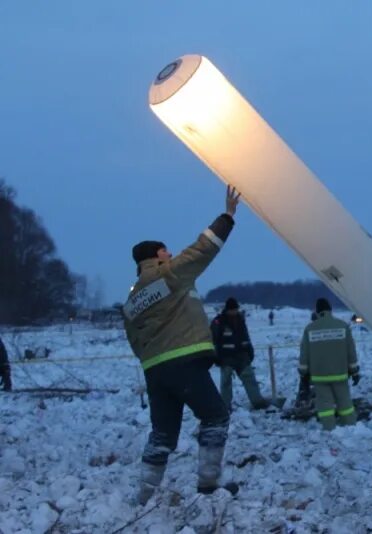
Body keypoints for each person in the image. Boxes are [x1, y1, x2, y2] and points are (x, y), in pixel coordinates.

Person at [123, 186, 241, 505]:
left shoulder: (132, 299)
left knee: (162, 434)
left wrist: (153, 358)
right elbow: (202, 250)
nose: (171, 253)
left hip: (155, 371)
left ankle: (145, 494)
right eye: (166, 250)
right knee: (215, 416)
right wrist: (227, 216)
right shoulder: (170, 276)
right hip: (183, 363)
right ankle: (208, 485)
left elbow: (134, 340)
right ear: (157, 255)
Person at [298, 298, 360, 430]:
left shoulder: (310, 329)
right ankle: (350, 426)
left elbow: (304, 354)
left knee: (325, 406)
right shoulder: (343, 326)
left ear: (317, 311)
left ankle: (329, 428)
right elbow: (351, 351)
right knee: (345, 403)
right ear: (330, 310)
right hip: (340, 374)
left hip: (319, 377)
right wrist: (354, 371)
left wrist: (303, 373)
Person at [211, 298, 268, 411]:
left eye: (236, 309)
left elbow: (245, 337)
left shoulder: (240, 319)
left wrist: (250, 352)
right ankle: (225, 406)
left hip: (242, 356)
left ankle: (258, 402)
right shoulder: (218, 322)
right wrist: (215, 357)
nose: (235, 312)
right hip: (226, 357)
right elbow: (213, 340)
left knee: (250, 379)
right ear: (227, 309)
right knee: (226, 383)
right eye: (233, 310)